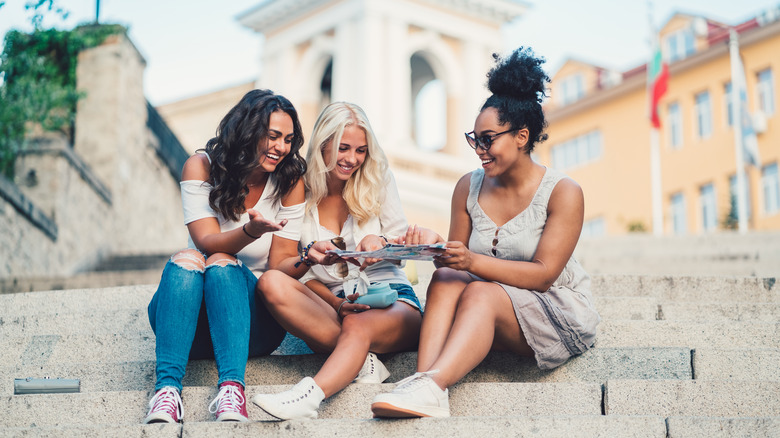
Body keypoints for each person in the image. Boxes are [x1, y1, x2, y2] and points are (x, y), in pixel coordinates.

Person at [370, 47, 601, 418]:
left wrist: (470, 259)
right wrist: (435, 245)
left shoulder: (563, 191)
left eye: (488, 139)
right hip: (491, 308)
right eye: (474, 139)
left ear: (522, 136)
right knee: (446, 275)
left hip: (555, 311)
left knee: (480, 291)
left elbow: (543, 276)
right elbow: (456, 262)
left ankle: (431, 385)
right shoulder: (468, 186)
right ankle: (423, 382)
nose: (479, 149)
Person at [143, 89, 307, 424]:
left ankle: (232, 391)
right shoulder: (201, 166)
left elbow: (280, 266)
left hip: (252, 327)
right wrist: (251, 232)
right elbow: (207, 241)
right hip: (189, 326)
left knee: (222, 263)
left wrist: (311, 259)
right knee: (191, 256)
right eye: (273, 136)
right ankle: (166, 393)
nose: (282, 147)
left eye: (289, 139)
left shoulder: (289, 180)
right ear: (247, 132)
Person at [251, 102, 423, 420]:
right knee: (270, 283)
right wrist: (309, 256)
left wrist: (381, 244)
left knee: (358, 322)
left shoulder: (377, 177)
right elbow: (281, 267)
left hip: (391, 299)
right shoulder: (296, 187)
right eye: (343, 148)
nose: (352, 159)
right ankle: (362, 361)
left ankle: (309, 397)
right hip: (334, 308)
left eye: (360, 150)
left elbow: (405, 251)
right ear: (323, 144)